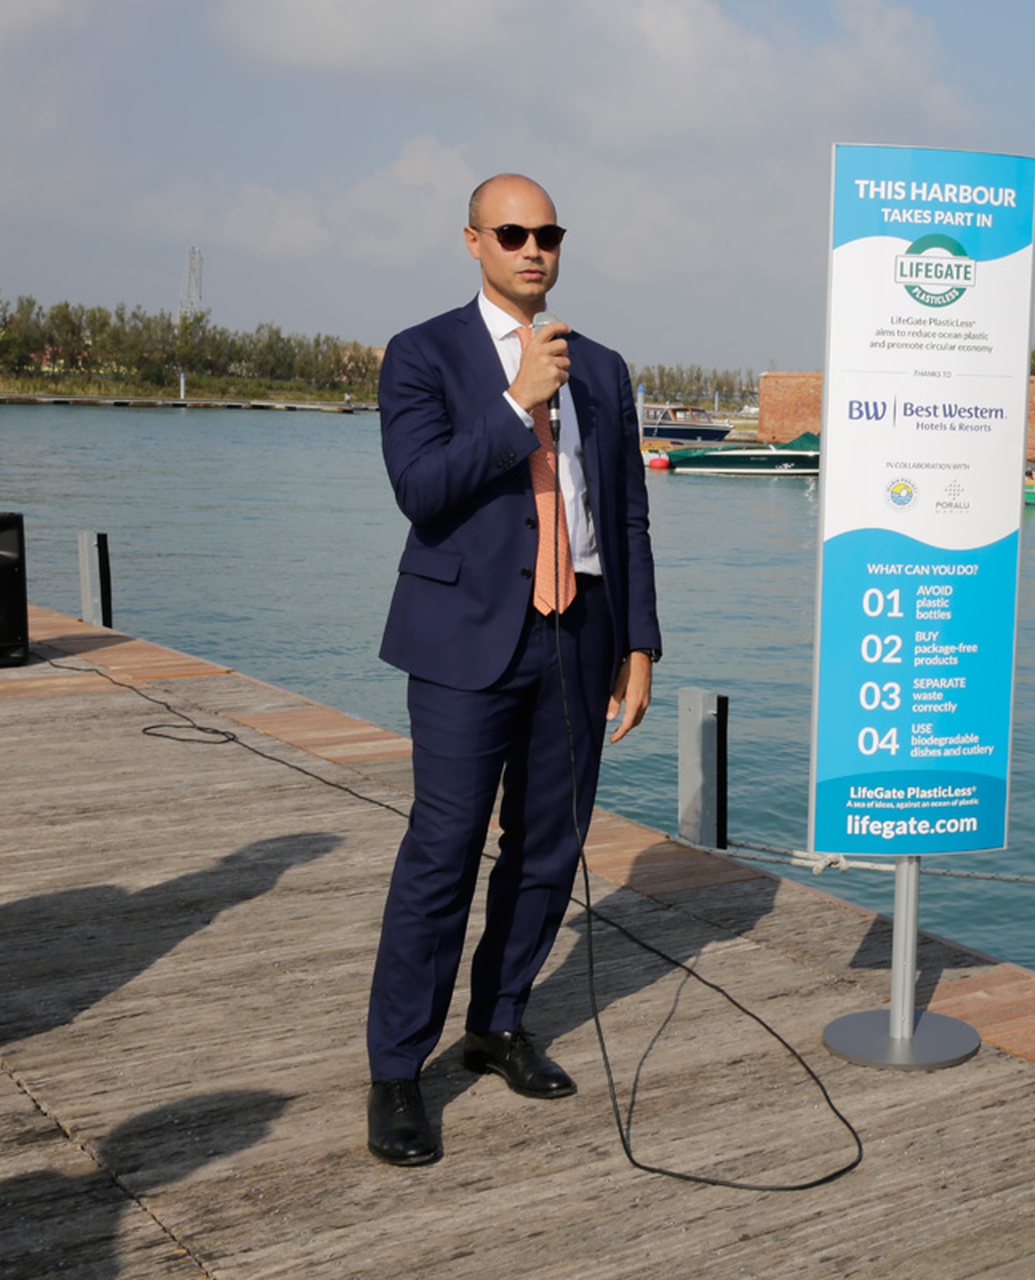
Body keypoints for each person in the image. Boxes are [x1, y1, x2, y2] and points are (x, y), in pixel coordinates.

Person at [364, 173, 662, 1166]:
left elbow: (624, 515)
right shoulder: (423, 354)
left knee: (548, 847)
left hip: (578, 633)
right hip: (463, 640)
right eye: (512, 232)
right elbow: (421, 490)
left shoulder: (607, 369)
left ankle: (498, 1022)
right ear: (474, 242)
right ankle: (399, 1070)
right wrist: (513, 401)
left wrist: (639, 644)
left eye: (548, 233)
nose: (533, 247)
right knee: (441, 849)